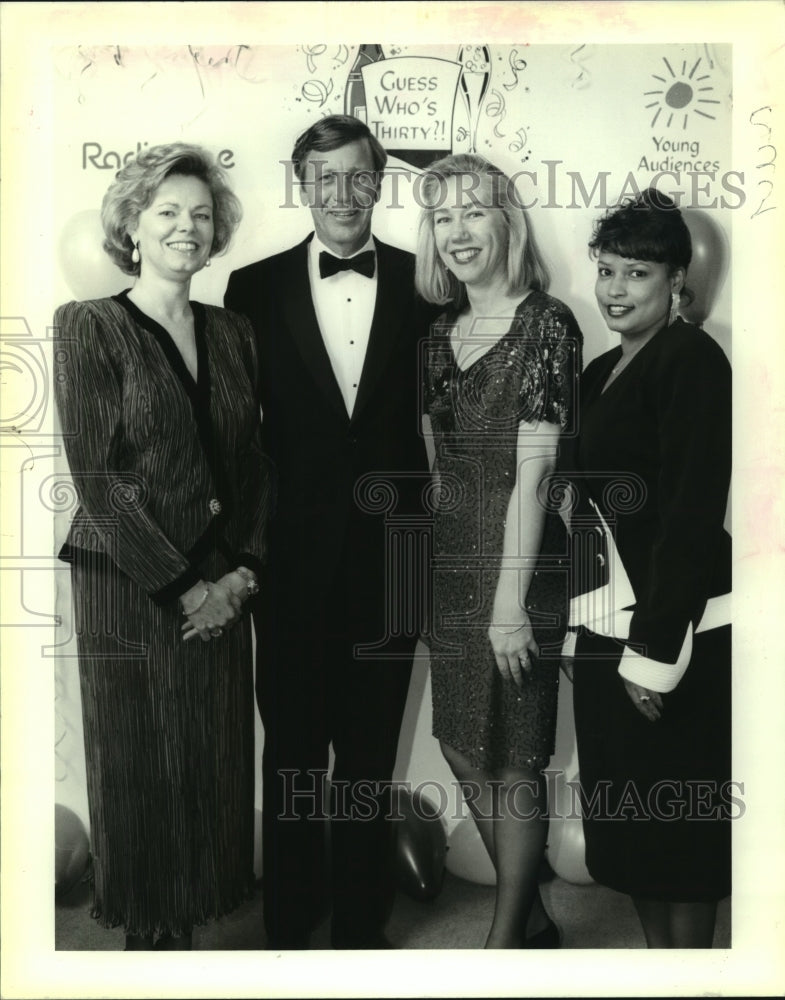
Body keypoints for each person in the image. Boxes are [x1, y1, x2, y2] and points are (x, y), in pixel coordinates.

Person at [224, 115, 436, 950]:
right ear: (302, 187)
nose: (343, 194)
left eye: (358, 177)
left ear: (379, 182)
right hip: (288, 560)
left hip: (394, 559)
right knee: (292, 751)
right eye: (326, 179)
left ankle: (357, 922)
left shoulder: (428, 284)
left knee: (369, 753)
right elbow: (241, 437)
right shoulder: (251, 287)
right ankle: (289, 916)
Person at [54, 142, 272, 950]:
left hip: (224, 577)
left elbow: (256, 465)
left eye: (201, 215)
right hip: (127, 582)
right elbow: (97, 480)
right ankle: (150, 933)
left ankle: (200, 912)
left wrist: (242, 575)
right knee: (140, 759)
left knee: (210, 758)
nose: (187, 228)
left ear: (217, 234)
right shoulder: (89, 325)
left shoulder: (235, 331)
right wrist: (188, 591)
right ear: (133, 226)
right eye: (168, 212)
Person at [416, 153, 582, 948]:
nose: (457, 231)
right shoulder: (435, 334)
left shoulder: (546, 323)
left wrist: (509, 604)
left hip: (520, 561)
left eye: (473, 212)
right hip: (452, 563)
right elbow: (435, 469)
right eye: (441, 217)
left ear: (505, 220)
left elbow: (535, 471)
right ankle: (537, 917)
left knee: (514, 751)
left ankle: (505, 935)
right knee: (457, 739)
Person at [562, 188, 732, 947]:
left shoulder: (691, 358)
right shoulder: (600, 371)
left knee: (678, 837)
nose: (614, 289)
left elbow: (691, 515)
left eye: (635, 273)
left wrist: (653, 653)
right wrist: (584, 633)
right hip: (604, 623)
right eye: (605, 270)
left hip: (671, 628)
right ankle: (658, 969)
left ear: (675, 284)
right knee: (626, 829)